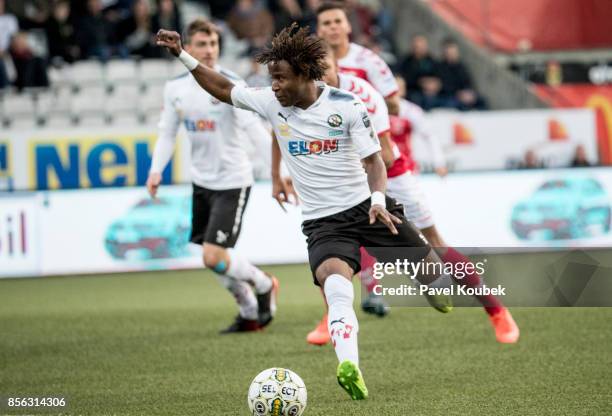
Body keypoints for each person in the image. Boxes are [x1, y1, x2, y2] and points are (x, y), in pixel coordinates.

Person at [156, 22, 454, 400]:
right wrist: (183, 55)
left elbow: (375, 162)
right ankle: (350, 366)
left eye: (281, 79)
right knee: (335, 285)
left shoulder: (347, 107)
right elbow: (222, 87)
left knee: (433, 277)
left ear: (304, 74)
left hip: (368, 208)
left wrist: (379, 200)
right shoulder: (270, 102)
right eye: (271, 79)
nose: (274, 86)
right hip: (324, 224)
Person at [147, 19, 278, 334]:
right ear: (188, 48)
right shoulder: (175, 88)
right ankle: (248, 311)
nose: (208, 51)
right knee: (212, 256)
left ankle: (263, 284)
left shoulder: (230, 84)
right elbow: (167, 133)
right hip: (202, 182)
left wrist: (279, 174)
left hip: (233, 181)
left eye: (214, 44)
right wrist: (155, 170)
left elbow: (255, 131)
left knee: (212, 254)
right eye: (202, 44)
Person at [316, 1, 400, 115]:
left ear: (348, 26)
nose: (333, 26)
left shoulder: (370, 60)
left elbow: (394, 105)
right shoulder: (309, 63)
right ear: (318, 31)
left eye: (338, 21)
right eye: (326, 23)